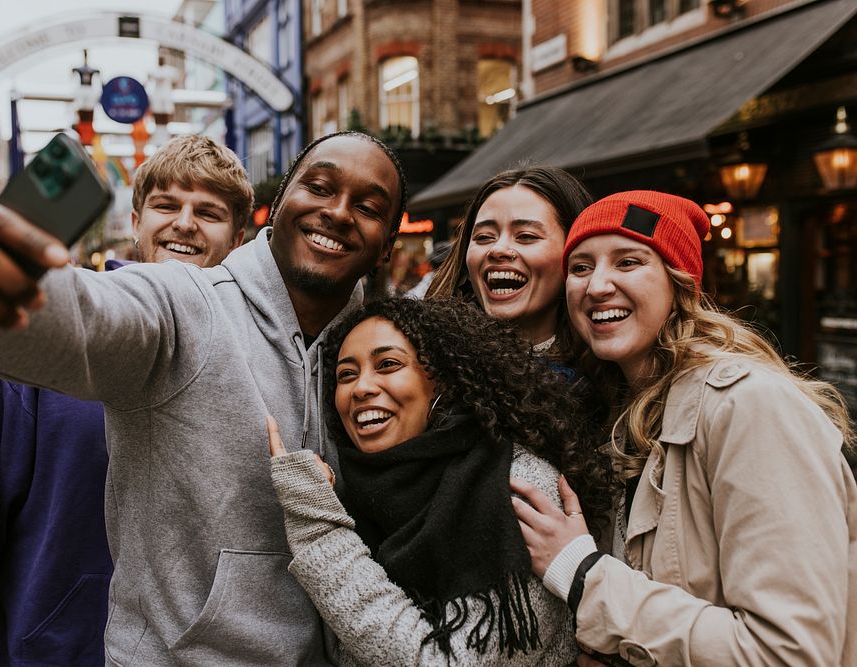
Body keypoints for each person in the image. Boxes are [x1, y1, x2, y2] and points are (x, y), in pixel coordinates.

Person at [0, 131, 407, 665]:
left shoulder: (377, 351)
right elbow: (82, 316)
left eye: (367, 206)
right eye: (318, 187)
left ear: (389, 241)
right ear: (281, 207)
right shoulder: (183, 303)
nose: (339, 211)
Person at [0, 134, 253, 666]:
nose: (184, 222)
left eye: (207, 212)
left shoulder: (253, 364)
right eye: (167, 205)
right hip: (52, 651)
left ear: (239, 239)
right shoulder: (54, 347)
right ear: (137, 220)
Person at [512, 190, 857, 666]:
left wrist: (583, 575)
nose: (597, 285)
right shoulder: (626, 411)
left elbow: (789, 654)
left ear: (681, 283)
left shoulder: (748, 405)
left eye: (628, 261)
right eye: (581, 267)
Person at [267, 297, 607, 665]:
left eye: (388, 365)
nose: (362, 387)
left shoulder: (517, 485)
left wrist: (319, 531)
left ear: (441, 381)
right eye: (346, 374)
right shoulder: (357, 496)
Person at [428, 166, 593, 365]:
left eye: (525, 236)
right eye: (484, 237)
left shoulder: (613, 374)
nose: (498, 249)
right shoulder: (427, 361)